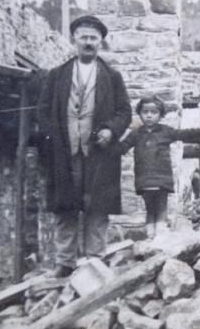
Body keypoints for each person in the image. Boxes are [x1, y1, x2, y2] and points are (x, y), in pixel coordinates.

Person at [37, 15, 132, 278]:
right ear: (74, 40)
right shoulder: (57, 75)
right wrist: (53, 138)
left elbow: (125, 111)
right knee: (64, 206)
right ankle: (65, 262)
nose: (88, 42)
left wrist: (110, 130)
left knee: (97, 206)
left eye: (93, 38)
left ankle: (95, 259)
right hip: (64, 153)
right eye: (83, 37)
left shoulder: (112, 76)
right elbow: (42, 111)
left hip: (99, 154)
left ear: (101, 42)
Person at [117, 95, 188, 239]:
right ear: (140, 113)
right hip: (144, 178)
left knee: (161, 205)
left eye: (154, 112)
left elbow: (185, 134)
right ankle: (150, 235)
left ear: (161, 114)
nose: (149, 115)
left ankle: (160, 234)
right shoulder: (136, 134)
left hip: (162, 178)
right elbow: (121, 148)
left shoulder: (166, 131)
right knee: (149, 207)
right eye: (145, 112)